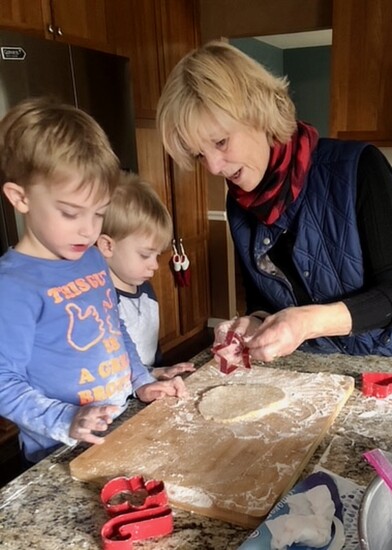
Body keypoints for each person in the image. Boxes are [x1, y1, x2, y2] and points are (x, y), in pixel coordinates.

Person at [156, 40, 392, 362]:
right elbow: (261, 300)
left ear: (258, 112)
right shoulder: (239, 206)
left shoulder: (359, 168)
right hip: (312, 372)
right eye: (199, 154)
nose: (212, 167)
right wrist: (252, 323)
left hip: (383, 368)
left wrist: (307, 323)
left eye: (221, 141)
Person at [0, 97, 187, 465]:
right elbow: (3, 382)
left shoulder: (90, 259)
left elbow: (112, 330)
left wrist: (141, 381)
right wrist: (65, 418)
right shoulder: (14, 286)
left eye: (99, 213)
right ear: (20, 197)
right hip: (59, 449)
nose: (87, 229)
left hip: (116, 425)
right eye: (70, 213)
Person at [96, 171, 195, 379]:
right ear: (107, 246)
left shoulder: (145, 290)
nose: (155, 266)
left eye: (157, 255)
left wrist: (160, 370)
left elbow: (150, 349)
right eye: (145, 255)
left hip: (148, 383)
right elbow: (107, 370)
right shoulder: (99, 302)